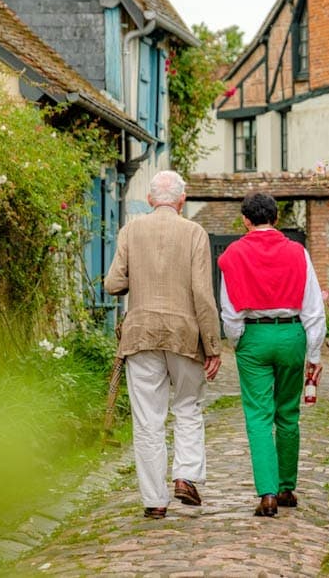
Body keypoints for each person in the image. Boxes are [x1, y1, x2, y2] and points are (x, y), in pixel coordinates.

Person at [103, 170, 222, 519]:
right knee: (187, 406)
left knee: (148, 419)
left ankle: (154, 500)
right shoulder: (194, 233)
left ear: (152, 199)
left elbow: (113, 283)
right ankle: (185, 476)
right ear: (182, 200)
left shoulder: (131, 230)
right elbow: (202, 293)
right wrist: (212, 345)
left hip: (140, 335)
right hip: (185, 334)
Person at [217, 192, 325, 517]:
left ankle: (267, 494)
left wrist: (239, 341)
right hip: (292, 332)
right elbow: (313, 307)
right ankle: (287, 487)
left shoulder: (233, 255)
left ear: (245, 220)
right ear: (276, 218)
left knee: (258, 416)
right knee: (288, 413)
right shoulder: (298, 253)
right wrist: (314, 352)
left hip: (254, 335)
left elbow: (229, 310)